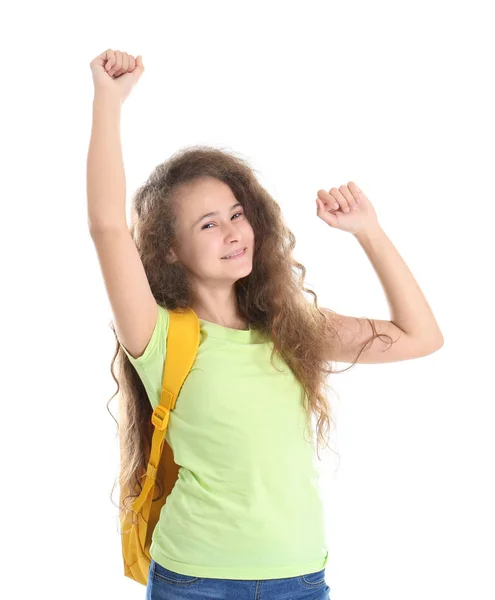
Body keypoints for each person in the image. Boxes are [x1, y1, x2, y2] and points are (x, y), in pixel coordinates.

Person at [87, 49, 443, 600]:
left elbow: (422, 338)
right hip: (194, 580)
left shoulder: (292, 328)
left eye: (236, 213)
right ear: (170, 251)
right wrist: (108, 102)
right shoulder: (158, 335)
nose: (233, 231)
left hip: (299, 578)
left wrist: (368, 230)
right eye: (208, 223)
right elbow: (108, 226)